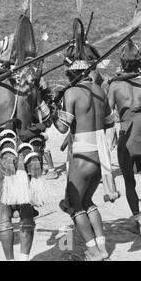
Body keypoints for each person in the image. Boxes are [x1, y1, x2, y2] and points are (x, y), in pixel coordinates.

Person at [0, 14, 50, 261]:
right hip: (28, 156)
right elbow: (45, 119)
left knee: (3, 214)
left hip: (5, 158)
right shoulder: (30, 89)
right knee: (27, 214)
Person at [53, 19, 113, 261]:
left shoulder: (72, 93)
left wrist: (47, 110)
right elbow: (109, 123)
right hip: (101, 157)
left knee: (75, 205)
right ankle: (103, 247)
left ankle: (92, 251)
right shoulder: (100, 90)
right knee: (89, 201)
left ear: (72, 72)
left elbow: (60, 127)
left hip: (82, 157)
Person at [107, 39, 141, 234]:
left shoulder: (115, 86)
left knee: (129, 181)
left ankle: (137, 218)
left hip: (127, 135)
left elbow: (108, 115)